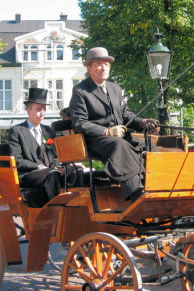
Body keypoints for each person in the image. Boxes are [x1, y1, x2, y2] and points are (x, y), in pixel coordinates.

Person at [69, 47, 160, 202]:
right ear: (89, 68)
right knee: (119, 145)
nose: (103, 68)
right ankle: (135, 192)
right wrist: (107, 131)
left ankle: (155, 186)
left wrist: (143, 122)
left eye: (106, 64)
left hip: (119, 137)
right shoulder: (80, 91)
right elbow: (80, 123)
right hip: (96, 140)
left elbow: (126, 115)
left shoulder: (115, 88)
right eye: (98, 64)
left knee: (149, 146)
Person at [7, 88, 64, 207]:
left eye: (44, 109)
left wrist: (62, 166)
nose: (42, 113)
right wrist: (38, 166)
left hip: (49, 172)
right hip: (28, 175)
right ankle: (58, 212)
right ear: (29, 111)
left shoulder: (48, 131)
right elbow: (17, 160)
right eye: (38, 109)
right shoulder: (17, 131)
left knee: (73, 172)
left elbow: (55, 155)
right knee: (52, 174)